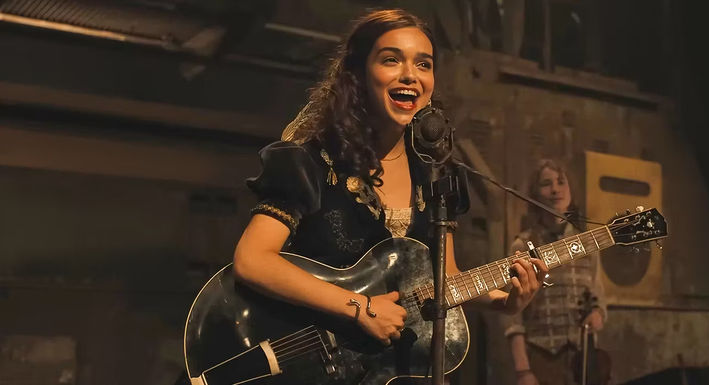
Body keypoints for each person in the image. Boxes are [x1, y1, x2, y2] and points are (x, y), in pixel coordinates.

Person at [233, 8, 547, 353]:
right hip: (307, 356)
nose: (411, 76)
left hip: (390, 368)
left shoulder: (436, 172)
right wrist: (360, 308)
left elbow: (444, 278)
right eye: (391, 60)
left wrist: (505, 302)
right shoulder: (311, 162)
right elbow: (253, 260)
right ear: (358, 74)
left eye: (424, 64)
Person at [505, 159, 607, 385]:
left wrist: (598, 313)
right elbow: (513, 316)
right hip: (542, 358)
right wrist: (523, 371)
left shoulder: (587, 242)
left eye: (561, 182)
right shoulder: (523, 245)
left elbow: (598, 293)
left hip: (583, 357)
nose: (555, 189)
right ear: (535, 193)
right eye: (546, 184)